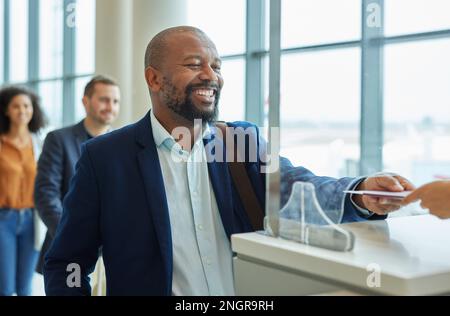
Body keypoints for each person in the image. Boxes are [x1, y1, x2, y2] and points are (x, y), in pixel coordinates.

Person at [44, 26, 413, 296]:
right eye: (194, 64)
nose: (211, 75)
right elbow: (68, 262)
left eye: (216, 65)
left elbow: (297, 186)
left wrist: (360, 192)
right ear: (154, 79)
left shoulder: (239, 142)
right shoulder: (106, 158)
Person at [34, 75, 120, 275]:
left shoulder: (123, 143)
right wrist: (70, 236)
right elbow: (46, 194)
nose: (110, 106)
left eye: (115, 101)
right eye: (104, 100)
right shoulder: (58, 139)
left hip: (113, 254)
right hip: (68, 249)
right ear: (85, 101)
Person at [0, 86, 47, 296]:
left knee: (25, 287)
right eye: (16, 106)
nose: (22, 110)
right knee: (5, 288)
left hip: (32, 221)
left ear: (33, 110)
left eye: (26, 106)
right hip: (3, 220)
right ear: (6, 110)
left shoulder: (41, 144)